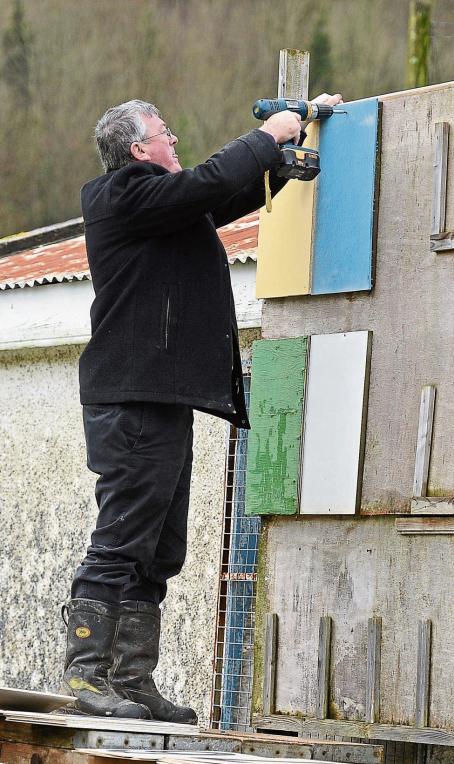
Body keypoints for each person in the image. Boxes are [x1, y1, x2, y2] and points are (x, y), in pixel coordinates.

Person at [62, 94, 341, 721]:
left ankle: (132, 684)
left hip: (159, 396)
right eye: (166, 134)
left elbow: (216, 196)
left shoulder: (160, 209)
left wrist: (279, 162)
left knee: (159, 549)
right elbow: (208, 183)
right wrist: (268, 137)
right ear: (138, 150)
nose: (176, 141)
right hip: (132, 397)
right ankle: (87, 676)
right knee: (121, 540)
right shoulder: (120, 196)